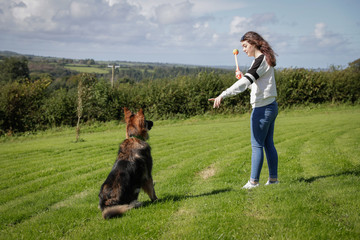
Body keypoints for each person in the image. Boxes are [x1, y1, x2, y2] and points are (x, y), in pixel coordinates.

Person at [209, 31, 279, 189]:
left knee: (257, 145)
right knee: (268, 144)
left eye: (245, 46)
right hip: (271, 106)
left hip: (262, 109)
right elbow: (255, 84)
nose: (244, 49)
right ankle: (273, 180)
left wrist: (223, 94)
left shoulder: (260, 60)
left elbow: (245, 84)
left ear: (254, 43)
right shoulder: (264, 59)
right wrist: (243, 78)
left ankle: (253, 182)